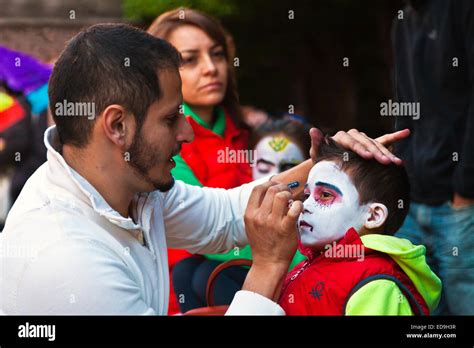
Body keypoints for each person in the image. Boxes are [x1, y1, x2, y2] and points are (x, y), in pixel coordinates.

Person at [0, 23, 407, 315]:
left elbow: (225, 216)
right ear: (117, 126)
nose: (186, 133)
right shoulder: (67, 263)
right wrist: (266, 268)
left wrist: (322, 166)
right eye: (172, 117)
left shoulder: (125, 188)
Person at [147, 8, 254, 313]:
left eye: (218, 55)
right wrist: (302, 255)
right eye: (189, 60)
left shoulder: (255, 132)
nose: (210, 68)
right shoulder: (162, 146)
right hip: (181, 297)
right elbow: (206, 225)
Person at [278, 137, 442, 315]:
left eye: (325, 195)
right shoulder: (307, 261)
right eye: (306, 195)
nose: (304, 206)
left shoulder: (377, 285)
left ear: (373, 215)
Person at [173, 119, 311, 312]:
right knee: (185, 270)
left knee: (205, 274)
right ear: (250, 166)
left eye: (288, 169)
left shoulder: (312, 208)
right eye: (265, 167)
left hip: (297, 288)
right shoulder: (246, 200)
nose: (276, 176)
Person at [392, 0, 474, 314]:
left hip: (459, 203)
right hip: (413, 203)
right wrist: (401, 187)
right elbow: (402, 107)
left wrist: (466, 190)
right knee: (419, 312)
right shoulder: (402, 19)